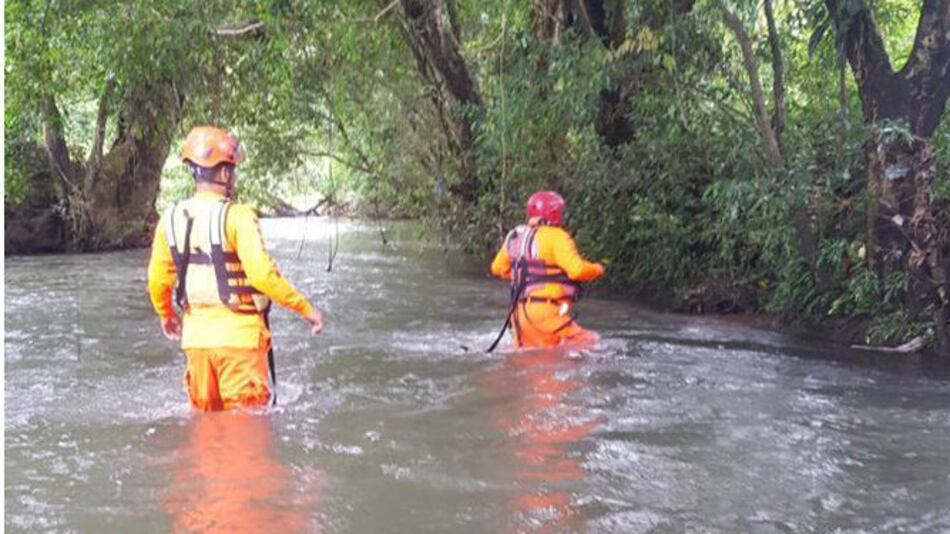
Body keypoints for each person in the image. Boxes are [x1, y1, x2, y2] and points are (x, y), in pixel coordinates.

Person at [147, 126, 323, 411]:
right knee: (245, 432)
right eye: (232, 170)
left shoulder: (171, 218)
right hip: (240, 342)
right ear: (224, 174)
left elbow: (157, 281)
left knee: (206, 426)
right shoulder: (238, 216)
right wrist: (306, 309)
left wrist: (166, 314)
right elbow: (262, 275)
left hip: (196, 343)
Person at [490, 191, 605, 349]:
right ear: (555, 213)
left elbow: (497, 268)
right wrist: (598, 269)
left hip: (518, 315)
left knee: (530, 360)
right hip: (546, 313)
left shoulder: (516, 236)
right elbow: (577, 270)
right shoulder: (557, 236)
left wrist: (528, 278)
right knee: (593, 343)